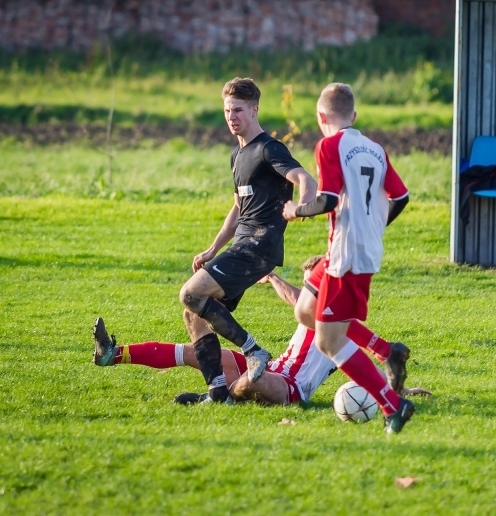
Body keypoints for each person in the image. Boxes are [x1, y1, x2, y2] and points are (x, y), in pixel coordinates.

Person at [92, 257, 430, 405]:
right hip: (270, 367)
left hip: (288, 388)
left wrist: (400, 391)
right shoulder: (311, 314)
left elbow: (370, 366)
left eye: (314, 280)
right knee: (192, 321)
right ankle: (112, 355)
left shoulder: (340, 324)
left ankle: (214, 399)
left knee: (255, 381)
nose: (310, 287)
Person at [282, 82, 413, 434]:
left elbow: (327, 200)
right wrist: (373, 225)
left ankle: (393, 405)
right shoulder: (375, 148)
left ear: (320, 116)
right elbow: (400, 197)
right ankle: (388, 351)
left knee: (328, 341)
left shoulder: (329, 145)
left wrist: (297, 209)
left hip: (347, 255)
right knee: (305, 310)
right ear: (354, 116)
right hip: (355, 249)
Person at [177, 77, 317, 404]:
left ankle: (253, 349)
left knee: (190, 293)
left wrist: (302, 208)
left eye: (238, 110)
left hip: (259, 246)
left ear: (254, 110)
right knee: (194, 315)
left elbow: (303, 178)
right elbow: (239, 207)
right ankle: (217, 393)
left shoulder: (270, 149)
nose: (231, 117)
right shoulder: (236, 155)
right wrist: (213, 248)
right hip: (241, 245)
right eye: (227, 110)